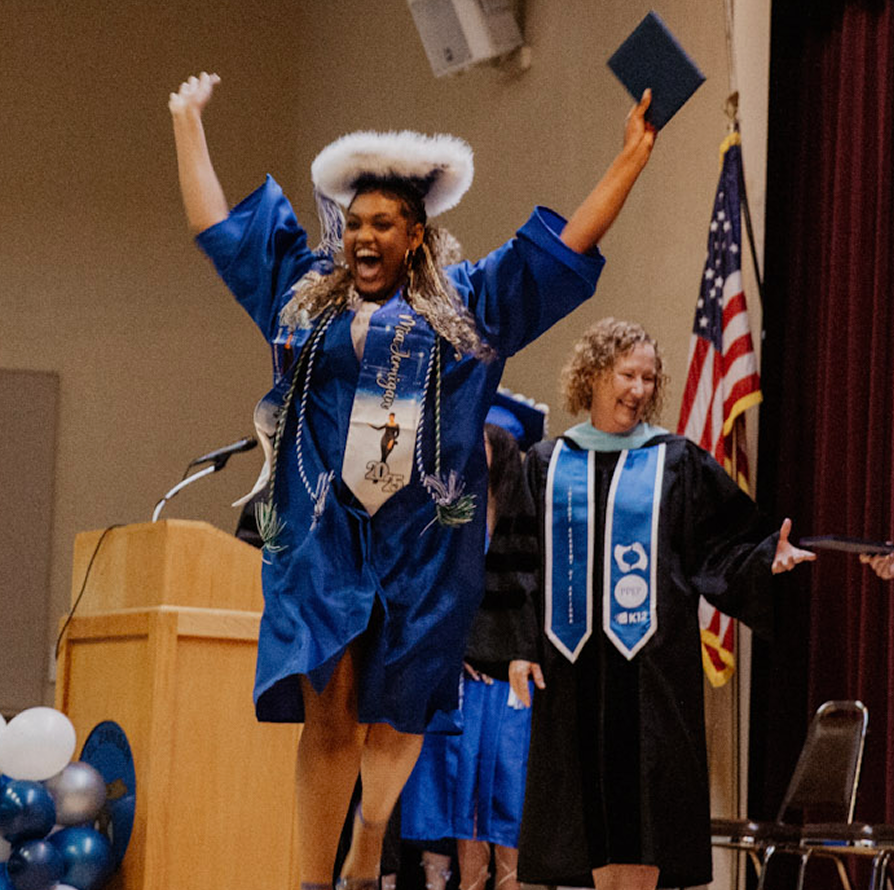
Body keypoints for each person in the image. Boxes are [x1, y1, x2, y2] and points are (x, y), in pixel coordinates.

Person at [168, 71, 656, 890]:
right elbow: (218, 227)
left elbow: (565, 249)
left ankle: (372, 830)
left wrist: (631, 159)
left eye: (383, 224)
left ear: (417, 236)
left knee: (398, 718)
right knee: (329, 709)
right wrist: (188, 124)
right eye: (353, 223)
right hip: (321, 540)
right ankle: (311, 881)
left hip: (426, 543)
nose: (363, 237)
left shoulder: (472, 308)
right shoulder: (301, 302)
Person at [509, 318, 815, 890]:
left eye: (650, 379)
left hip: (653, 676)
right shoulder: (548, 463)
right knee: (579, 822)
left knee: (644, 810)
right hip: (571, 670)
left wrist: (763, 558)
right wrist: (519, 649)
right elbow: (521, 560)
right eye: (628, 374)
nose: (640, 389)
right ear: (594, 376)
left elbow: (724, 542)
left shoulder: (674, 462)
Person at [401, 409, 541, 890]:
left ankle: (509, 882)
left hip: (507, 678)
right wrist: (451, 644)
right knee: (451, 788)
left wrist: (504, 648)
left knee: (504, 786)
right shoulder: (447, 510)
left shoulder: (521, 513)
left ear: (502, 454)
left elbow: (527, 589)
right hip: (455, 673)